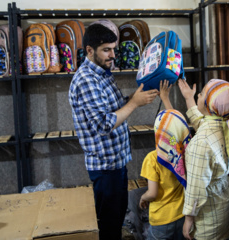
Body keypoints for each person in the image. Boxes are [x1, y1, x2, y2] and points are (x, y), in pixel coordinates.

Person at [68, 24, 159, 240]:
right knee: (109, 226)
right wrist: (135, 103)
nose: (113, 55)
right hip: (105, 167)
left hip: (116, 162)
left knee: (116, 218)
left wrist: (135, 97)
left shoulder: (103, 74)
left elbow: (116, 107)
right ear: (90, 50)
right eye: (106, 50)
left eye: (114, 49)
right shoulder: (87, 80)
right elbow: (103, 124)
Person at [178, 78, 229, 240]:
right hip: (222, 200)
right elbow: (200, 121)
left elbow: (196, 186)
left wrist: (188, 218)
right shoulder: (225, 125)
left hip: (208, 212)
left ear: (212, 105)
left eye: (202, 94)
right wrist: (189, 97)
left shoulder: (202, 142)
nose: (199, 96)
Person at [139, 80, 190, 240]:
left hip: (161, 220)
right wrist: (166, 99)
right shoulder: (184, 154)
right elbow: (175, 126)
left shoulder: (152, 159)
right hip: (181, 216)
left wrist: (143, 197)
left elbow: (152, 193)